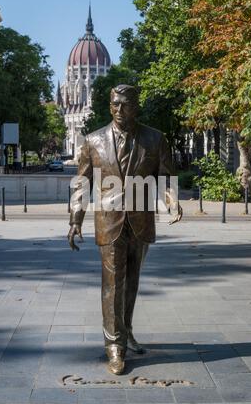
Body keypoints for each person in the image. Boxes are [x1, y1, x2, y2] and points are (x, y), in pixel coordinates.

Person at [68, 84, 182, 375]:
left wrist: (172, 200)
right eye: (115, 105)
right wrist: (75, 220)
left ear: (136, 106)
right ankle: (114, 346)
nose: (119, 110)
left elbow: (166, 177)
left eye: (125, 105)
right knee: (113, 283)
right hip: (109, 221)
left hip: (141, 220)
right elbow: (82, 183)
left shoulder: (155, 139)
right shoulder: (93, 141)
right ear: (110, 106)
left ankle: (126, 330)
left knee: (132, 281)